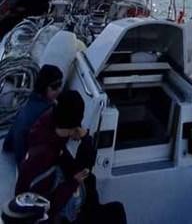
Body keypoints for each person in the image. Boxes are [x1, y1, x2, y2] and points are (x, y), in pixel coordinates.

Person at [16, 91, 126, 224]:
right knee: (116, 212)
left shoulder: (47, 122)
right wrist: (73, 183)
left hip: (55, 186)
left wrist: (84, 140)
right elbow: (44, 207)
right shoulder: (43, 155)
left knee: (91, 182)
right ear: (71, 126)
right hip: (49, 215)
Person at [3, 64, 63, 165]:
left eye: (60, 85)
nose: (59, 90)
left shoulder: (32, 99)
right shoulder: (46, 111)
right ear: (44, 87)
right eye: (55, 87)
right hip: (24, 156)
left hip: (10, 144)